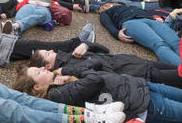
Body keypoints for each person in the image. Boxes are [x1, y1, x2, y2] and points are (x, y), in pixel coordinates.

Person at [14, 64, 182, 123]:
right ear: (37, 87)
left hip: (140, 87)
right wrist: (68, 69)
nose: (44, 68)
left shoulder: (60, 84)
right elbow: (95, 79)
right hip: (145, 104)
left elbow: (95, 65)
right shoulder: (56, 94)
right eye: (38, 72)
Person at [28, 46, 182, 89]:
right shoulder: (69, 68)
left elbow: (104, 50)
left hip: (137, 63)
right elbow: (106, 73)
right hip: (139, 73)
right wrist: (93, 58)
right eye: (48, 53)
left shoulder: (71, 54)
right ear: (48, 65)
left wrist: (86, 45)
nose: (53, 50)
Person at [99, 3, 181, 66]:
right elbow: (108, 24)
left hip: (150, 20)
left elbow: (147, 12)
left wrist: (155, 17)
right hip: (131, 22)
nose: (110, 5)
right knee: (159, 44)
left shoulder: (129, 6)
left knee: (176, 42)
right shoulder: (105, 13)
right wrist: (117, 34)